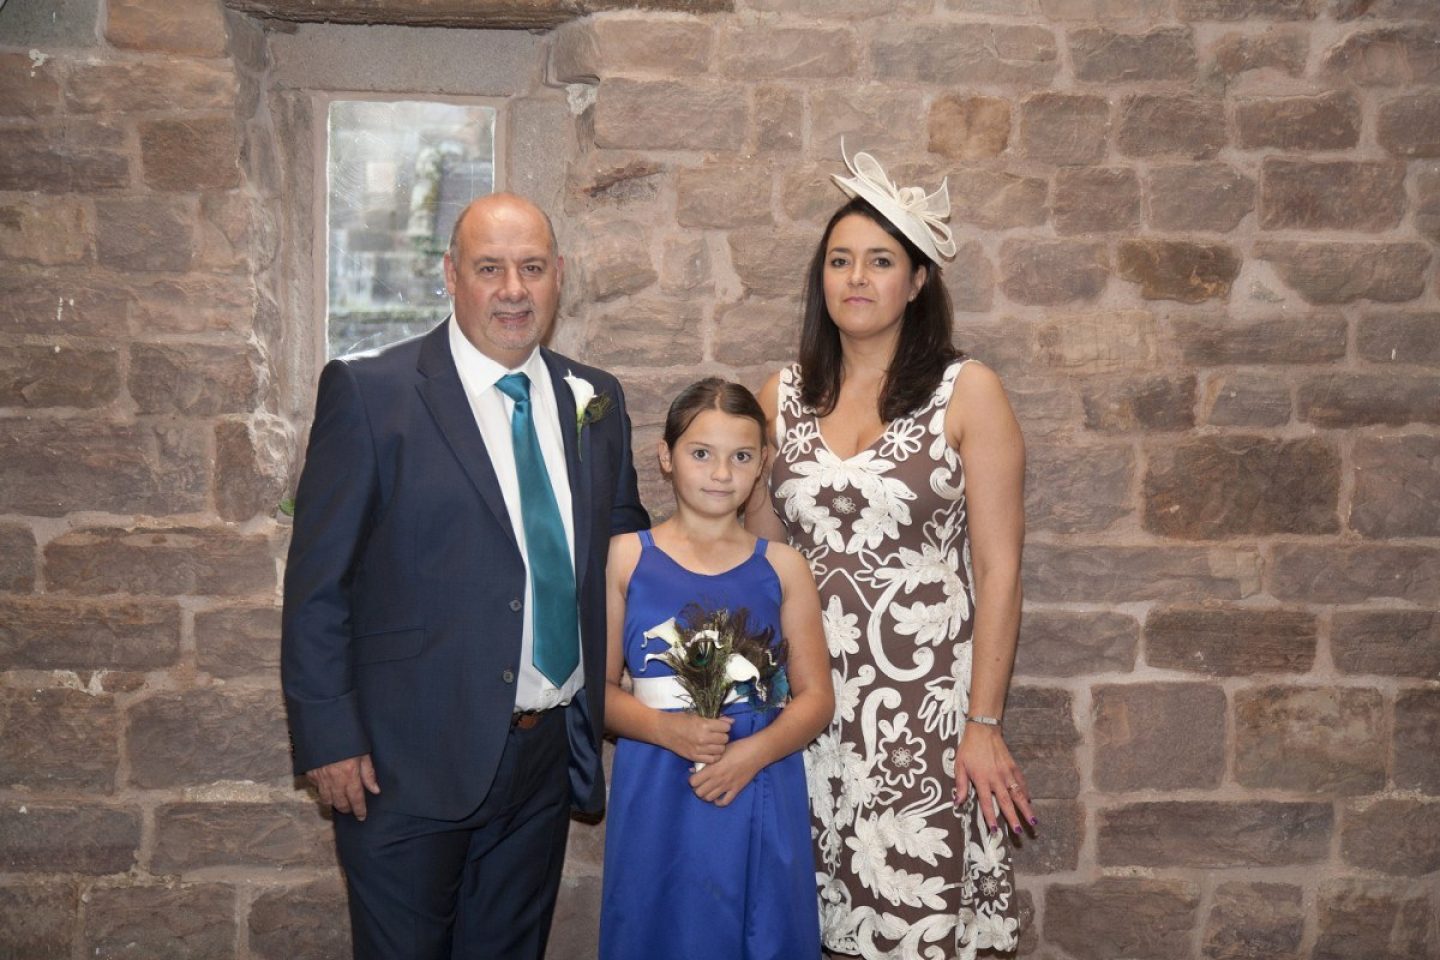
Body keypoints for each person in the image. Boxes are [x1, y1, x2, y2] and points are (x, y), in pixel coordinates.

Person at [281, 192, 649, 959]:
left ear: (559, 278)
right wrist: (328, 737)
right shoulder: (372, 394)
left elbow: (625, 550)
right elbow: (319, 585)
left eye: (533, 268)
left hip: (543, 761)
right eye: (490, 268)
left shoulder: (597, 401)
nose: (513, 289)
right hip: (402, 762)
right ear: (451, 275)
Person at [745, 147, 1034, 959]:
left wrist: (984, 723)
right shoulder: (780, 397)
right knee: (803, 924)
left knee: (914, 925)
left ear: (917, 281)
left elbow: (1001, 569)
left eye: (880, 261)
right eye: (840, 261)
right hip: (805, 710)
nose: (857, 278)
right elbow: (756, 556)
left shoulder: (967, 391)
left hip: (925, 716)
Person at [598, 378, 834, 960]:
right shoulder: (626, 555)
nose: (721, 473)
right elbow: (597, 693)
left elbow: (815, 698)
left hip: (758, 779)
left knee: (760, 928)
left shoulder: (784, 567)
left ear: (763, 466)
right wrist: (665, 729)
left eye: (742, 457)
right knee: (661, 926)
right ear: (666, 456)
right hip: (658, 780)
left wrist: (751, 755)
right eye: (701, 453)